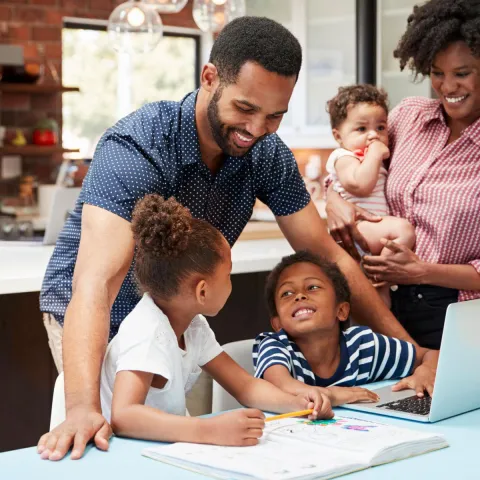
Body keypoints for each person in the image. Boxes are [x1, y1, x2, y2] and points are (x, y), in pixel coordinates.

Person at [38, 16, 432, 461]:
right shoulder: (140, 145)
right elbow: (95, 283)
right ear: (210, 78)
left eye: (275, 115)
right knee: (106, 437)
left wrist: (418, 356)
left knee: (167, 442)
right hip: (99, 313)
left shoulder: (264, 153)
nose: (257, 129)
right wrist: (82, 408)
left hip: (176, 314)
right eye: (245, 109)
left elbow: (330, 258)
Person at [39, 195, 331, 459]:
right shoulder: (147, 331)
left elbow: (246, 387)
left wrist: (298, 403)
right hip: (104, 454)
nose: (231, 282)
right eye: (227, 274)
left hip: (146, 449)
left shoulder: (193, 326)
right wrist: (208, 430)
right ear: (202, 292)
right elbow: (125, 416)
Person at [326, 0, 480, 350]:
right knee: (381, 400)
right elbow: (351, 159)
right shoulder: (408, 117)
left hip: (451, 310)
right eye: (437, 73)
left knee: (442, 402)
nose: (447, 87)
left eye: (462, 73)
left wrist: (419, 270)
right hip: (377, 294)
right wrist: (334, 200)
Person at [253, 251, 438, 403]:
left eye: (312, 287)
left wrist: (425, 371)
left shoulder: (363, 346)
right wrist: (331, 395)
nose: (299, 296)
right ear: (278, 324)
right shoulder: (275, 346)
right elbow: (281, 386)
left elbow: (431, 355)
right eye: (287, 293)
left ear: (341, 310)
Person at [325, 85, 415, 305]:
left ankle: (377, 335)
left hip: (371, 231)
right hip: (357, 227)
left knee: (379, 302)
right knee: (404, 229)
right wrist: (375, 153)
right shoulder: (343, 156)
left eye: (381, 127)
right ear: (338, 136)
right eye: (361, 129)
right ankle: (381, 269)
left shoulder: (371, 160)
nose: (373, 135)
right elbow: (359, 185)